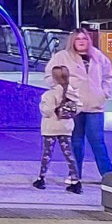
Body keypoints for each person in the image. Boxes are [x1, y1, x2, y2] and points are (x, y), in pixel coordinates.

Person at [44, 28, 112, 180]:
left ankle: (109, 176)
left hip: (95, 106)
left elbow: (109, 76)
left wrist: (104, 92)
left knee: (97, 141)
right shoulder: (62, 57)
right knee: (76, 142)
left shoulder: (97, 55)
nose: (82, 41)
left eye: (84, 38)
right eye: (78, 38)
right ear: (72, 41)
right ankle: (75, 175)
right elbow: (49, 75)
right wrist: (63, 91)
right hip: (73, 106)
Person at [34, 65, 81, 193]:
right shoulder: (73, 93)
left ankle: (41, 178)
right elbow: (78, 108)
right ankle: (75, 180)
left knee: (47, 154)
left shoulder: (49, 94)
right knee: (69, 154)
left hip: (51, 127)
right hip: (66, 127)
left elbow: (46, 111)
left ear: (53, 79)